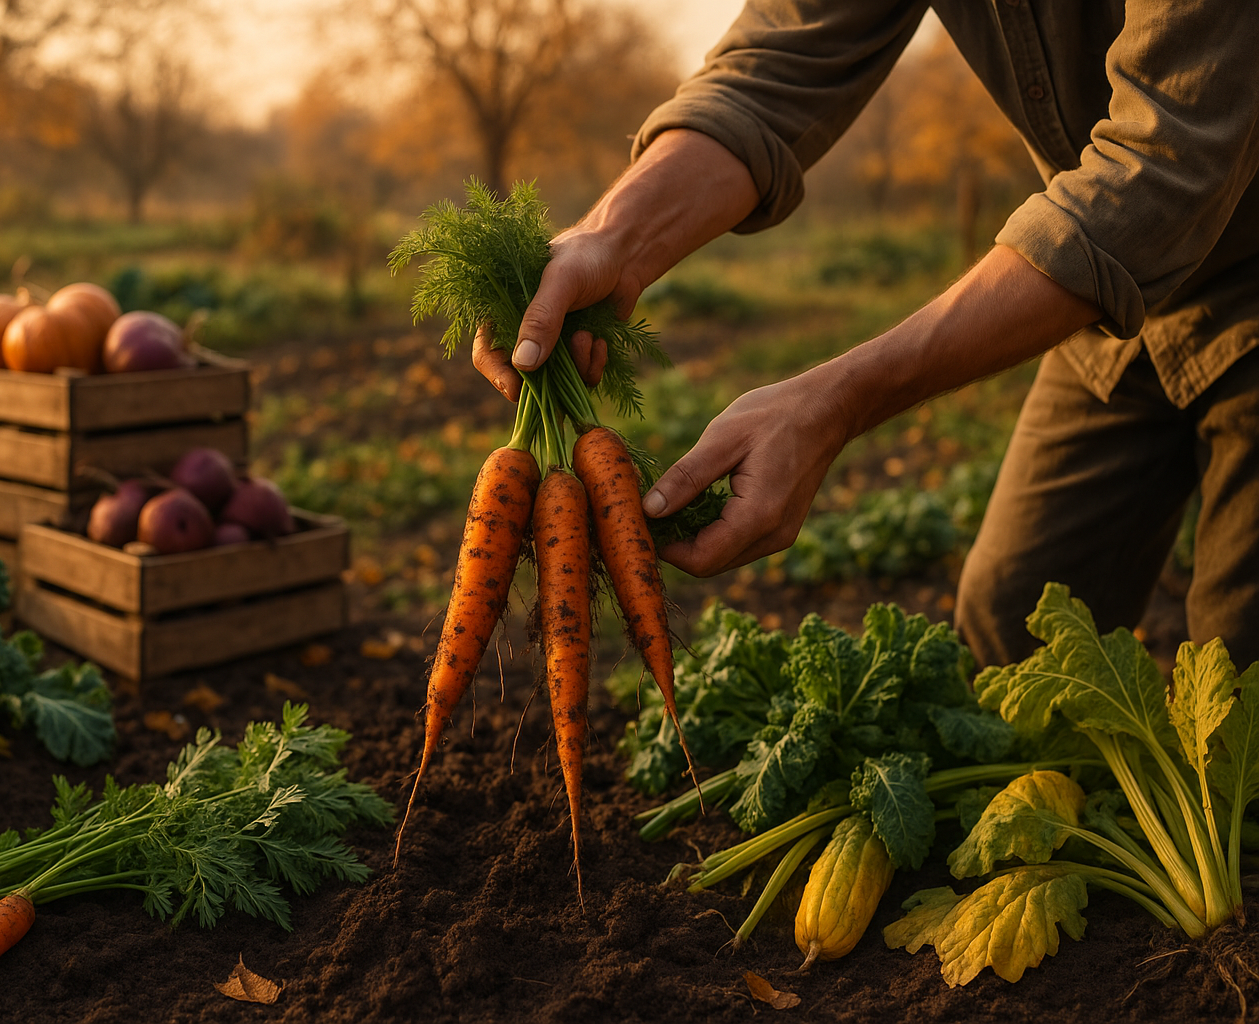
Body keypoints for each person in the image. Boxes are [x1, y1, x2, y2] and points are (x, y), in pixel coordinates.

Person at [473, 1, 1259, 668]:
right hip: (1112, 304)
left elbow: (1163, 165)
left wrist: (838, 400)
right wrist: (614, 236)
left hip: (1195, 250)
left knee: (1240, 701)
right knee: (1013, 633)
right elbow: (772, 67)